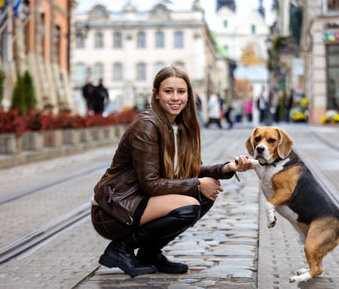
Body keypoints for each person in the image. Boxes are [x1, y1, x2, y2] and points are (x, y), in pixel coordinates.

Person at [91, 66, 254, 277]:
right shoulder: (147, 126)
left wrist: (226, 168)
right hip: (114, 210)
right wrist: (198, 184)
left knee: (204, 195)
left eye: (181, 91)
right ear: (156, 94)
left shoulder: (176, 124)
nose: (175, 97)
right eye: (168, 91)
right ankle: (120, 249)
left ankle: (149, 253)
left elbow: (185, 171)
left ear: (188, 95)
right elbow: (150, 183)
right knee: (191, 203)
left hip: (135, 202)